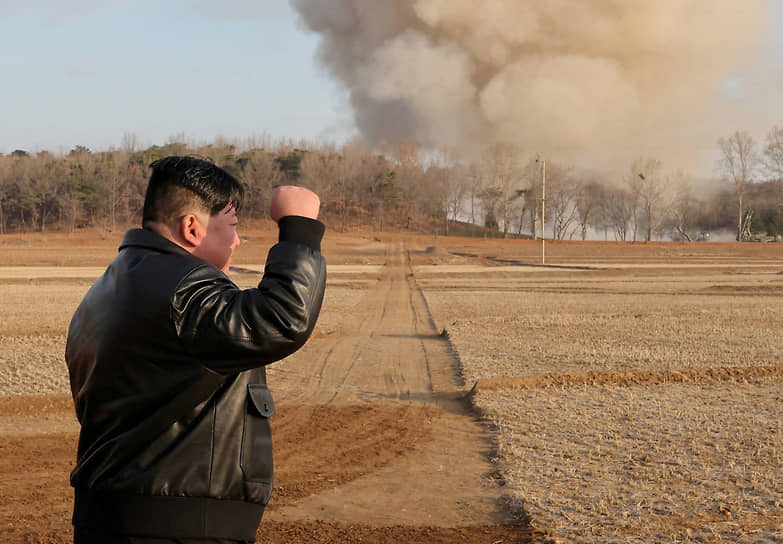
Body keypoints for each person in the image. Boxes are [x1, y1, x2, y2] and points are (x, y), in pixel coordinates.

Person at [65, 156, 326, 544]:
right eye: (232, 226)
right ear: (192, 227)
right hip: (176, 528)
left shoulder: (108, 288)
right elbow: (281, 318)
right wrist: (299, 229)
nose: (237, 241)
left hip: (113, 521)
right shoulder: (182, 288)